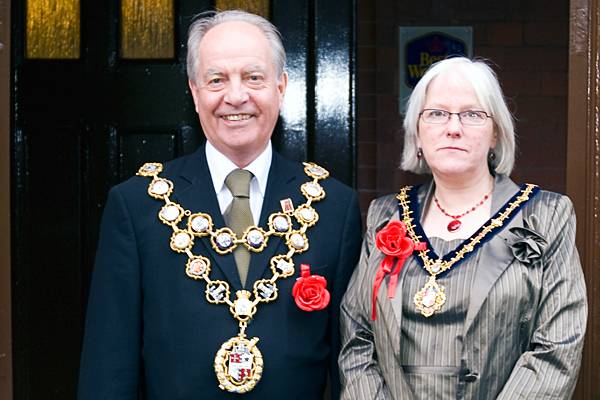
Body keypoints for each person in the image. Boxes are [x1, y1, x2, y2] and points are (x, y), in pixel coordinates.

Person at [78, 10, 362, 400]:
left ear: (281, 87)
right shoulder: (138, 204)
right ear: (195, 93)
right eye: (216, 80)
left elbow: (352, 365)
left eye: (253, 77)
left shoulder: (332, 206)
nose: (235, 96)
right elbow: (108, 366)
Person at [339, 57, 587, 399]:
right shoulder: (385, 216)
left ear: (495, 132)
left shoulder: (546, 216)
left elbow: (558, 346)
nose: (453, 127)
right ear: (418, 132)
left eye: (472, 114)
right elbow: (357, 336)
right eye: (437, 113)